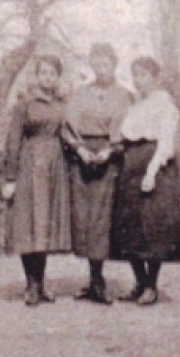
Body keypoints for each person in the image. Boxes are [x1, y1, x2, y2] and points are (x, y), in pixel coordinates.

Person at [60, 43, 132, 305]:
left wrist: (110, 150)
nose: (100, 70)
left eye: (105, 64)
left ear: (114, 64)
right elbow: (67, 125)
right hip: (82, 158)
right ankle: (92, 278)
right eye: (96, 64)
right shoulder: (80, 94)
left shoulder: (124, 95)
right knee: (84, 217)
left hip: (108, 158)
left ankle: (100, 282)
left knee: (102, 218)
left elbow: (127, 128)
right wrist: (79, 149)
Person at [109, 56, 180, 305]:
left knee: (153, 228)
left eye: (143, 75)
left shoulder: (165, 105)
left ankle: (151, 285)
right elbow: (126, 135)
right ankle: (139, 282)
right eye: (135, 75)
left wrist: (151, 172)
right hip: (131, 164)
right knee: (130, 227)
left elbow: (166, 143)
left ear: (155, 77)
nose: (138, 81)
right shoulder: (137, 105)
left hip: (154, 166)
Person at [2, 56, 74, 305]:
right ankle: (31, 285)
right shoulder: (25, 104)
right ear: (36, 76)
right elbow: (12, 142)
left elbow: (69, 134)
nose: (47, 78)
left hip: (55, 167)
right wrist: (10, 178)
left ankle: (40, 285)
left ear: (58, 77)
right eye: (43, 73)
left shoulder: (61, 104)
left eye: (52, 74)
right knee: (28, 224)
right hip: (30, 167)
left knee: (43, 226)